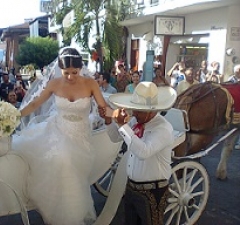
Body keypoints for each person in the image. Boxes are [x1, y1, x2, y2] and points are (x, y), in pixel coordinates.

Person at [12, 47, 108, 225]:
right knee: (62, 159)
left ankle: (71, 216)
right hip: (57, 129)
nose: (70, 77)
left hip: (80, 134)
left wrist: (113, 114)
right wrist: (14, 116)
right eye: (66, 73)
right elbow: (34, 104)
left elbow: (103, 107)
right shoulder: (54, 83)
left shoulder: (90, 84)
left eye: (74, 72)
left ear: (81, 68)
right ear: (59, 69)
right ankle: (63, 214)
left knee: (70, 165)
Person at [98, 81, 176, 225]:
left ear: (152, 110)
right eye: (134, 108)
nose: (134, 113)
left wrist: (122, 125)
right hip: (131, 188)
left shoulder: (163, 129)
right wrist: (109, 121)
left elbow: (143, 151)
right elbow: (116, 137)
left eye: (139, 110)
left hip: (153, 192)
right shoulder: (136, 121)